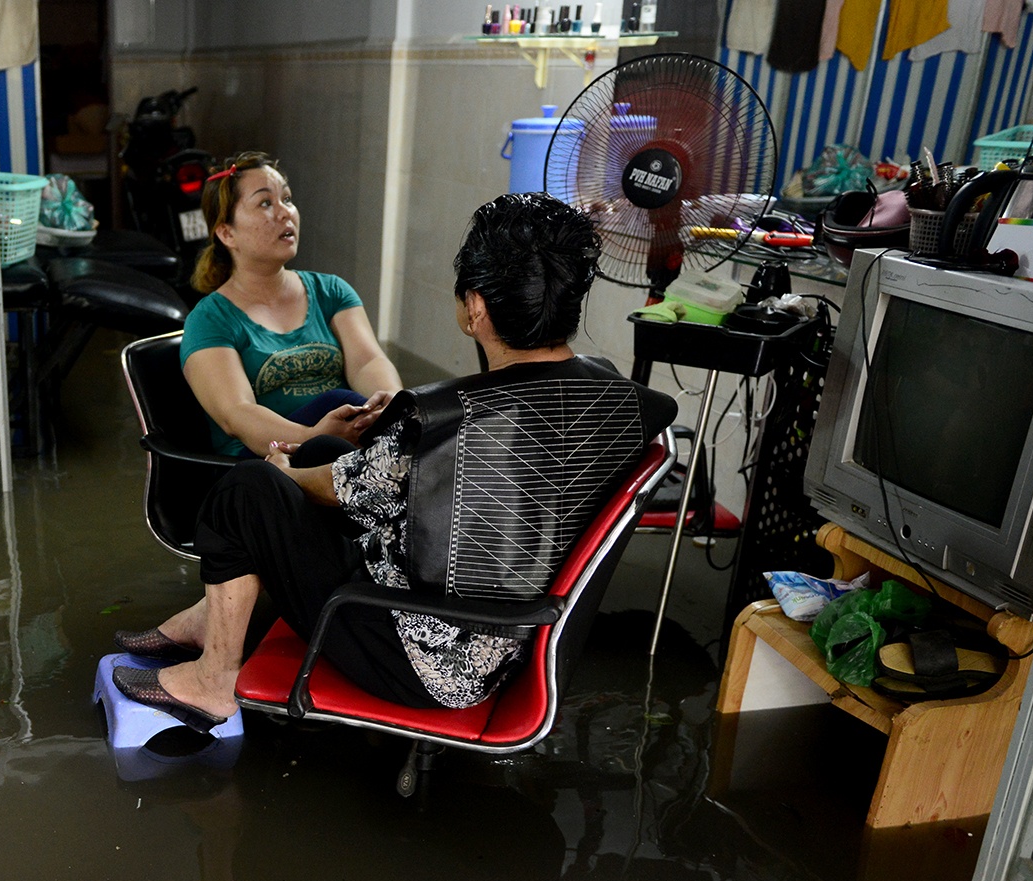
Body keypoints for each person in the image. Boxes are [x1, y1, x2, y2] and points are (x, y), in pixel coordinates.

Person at [112, 193, 679, 729]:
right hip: (510, 630)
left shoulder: (450, 420)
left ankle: (213, 682)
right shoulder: (617, 397)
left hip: (426, 657)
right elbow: (367, 479)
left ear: (475, 308)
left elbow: (342, 490)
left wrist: (282, 474)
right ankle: (210, 621)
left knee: (247, 490)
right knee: (324, 450)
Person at [179, 151, 404, 459]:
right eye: (265, 203)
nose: (285, 212)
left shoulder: (331, 291)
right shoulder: (210, 319)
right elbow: (237, 413)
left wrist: (389, 406)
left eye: (286, 198)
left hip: (345, 450)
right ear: (227, 233)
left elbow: (367, 362)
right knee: (337, 402)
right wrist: (312, 438)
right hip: (264, 463)